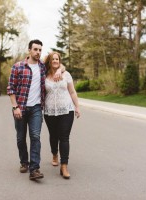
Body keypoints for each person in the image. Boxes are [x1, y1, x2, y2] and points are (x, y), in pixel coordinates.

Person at [7, 39, 63, 181]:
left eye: (40, 50)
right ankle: (24, 162)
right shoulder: (18, 67)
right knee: (20, 138)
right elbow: (11, 88)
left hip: (37, 108)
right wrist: (15, 107)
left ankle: (34, 169)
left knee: (35, 136)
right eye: (35, 49)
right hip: (20, 107)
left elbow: (59, 64)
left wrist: (60, 70)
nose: (38, 52)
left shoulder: (43, 66)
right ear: (29, 50)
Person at [43, 51, 80, 179]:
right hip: (49, 111)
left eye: (57, 59)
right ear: (49, 61)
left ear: (60, 61)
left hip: (66, 110)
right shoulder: (44, 75)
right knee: (53, 136)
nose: (55, 61)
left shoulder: (66, 74)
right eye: (53, 59)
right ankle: (54, 153)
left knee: (64, 137)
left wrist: (77, 107)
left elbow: (72, 92)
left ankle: (64, 165)